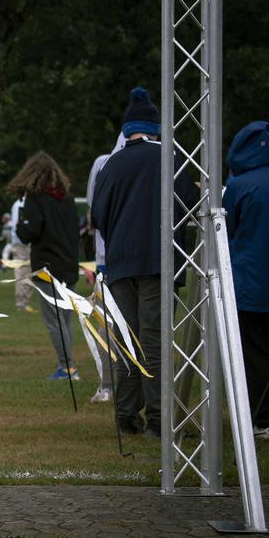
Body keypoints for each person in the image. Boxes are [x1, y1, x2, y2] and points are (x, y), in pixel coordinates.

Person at [91, 86, 198, 438]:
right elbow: (188, 206)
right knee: (154, 340)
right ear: (155, 129)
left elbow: (98, 217)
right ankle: (158, 418)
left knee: (127, 340)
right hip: (158, 262)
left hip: (121, 263)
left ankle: (126, 414)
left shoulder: (111, 165)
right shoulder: (173, 158)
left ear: (126, 130)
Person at [223, 121, 269, 440]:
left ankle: (262, 419)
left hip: (252, 284)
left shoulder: (240, 186)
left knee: (256, 356)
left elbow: (224, 233)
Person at [8, 152, 81, 382]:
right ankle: (68, 365)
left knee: (54, 320)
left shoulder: (36, 198)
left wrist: (21, 224)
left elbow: (29, 232)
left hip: (48, 267)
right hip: (69, 265)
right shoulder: (67, 198)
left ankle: (67, 367)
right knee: (66, 319)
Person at [85, 133, 126, 404]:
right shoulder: (162, 157)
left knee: (107, 327)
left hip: (108, 259)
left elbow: (93, 207)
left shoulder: (103, 163)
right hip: (140, 259)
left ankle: (108, 385)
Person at [8, 197, 35, 313]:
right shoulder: (24, 203)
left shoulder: (19, 203)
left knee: (26, 273)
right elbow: (18, 225)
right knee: (23, 273)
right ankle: (22, 304)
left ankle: (23, 303)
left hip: (21, 242)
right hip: (23, 243)